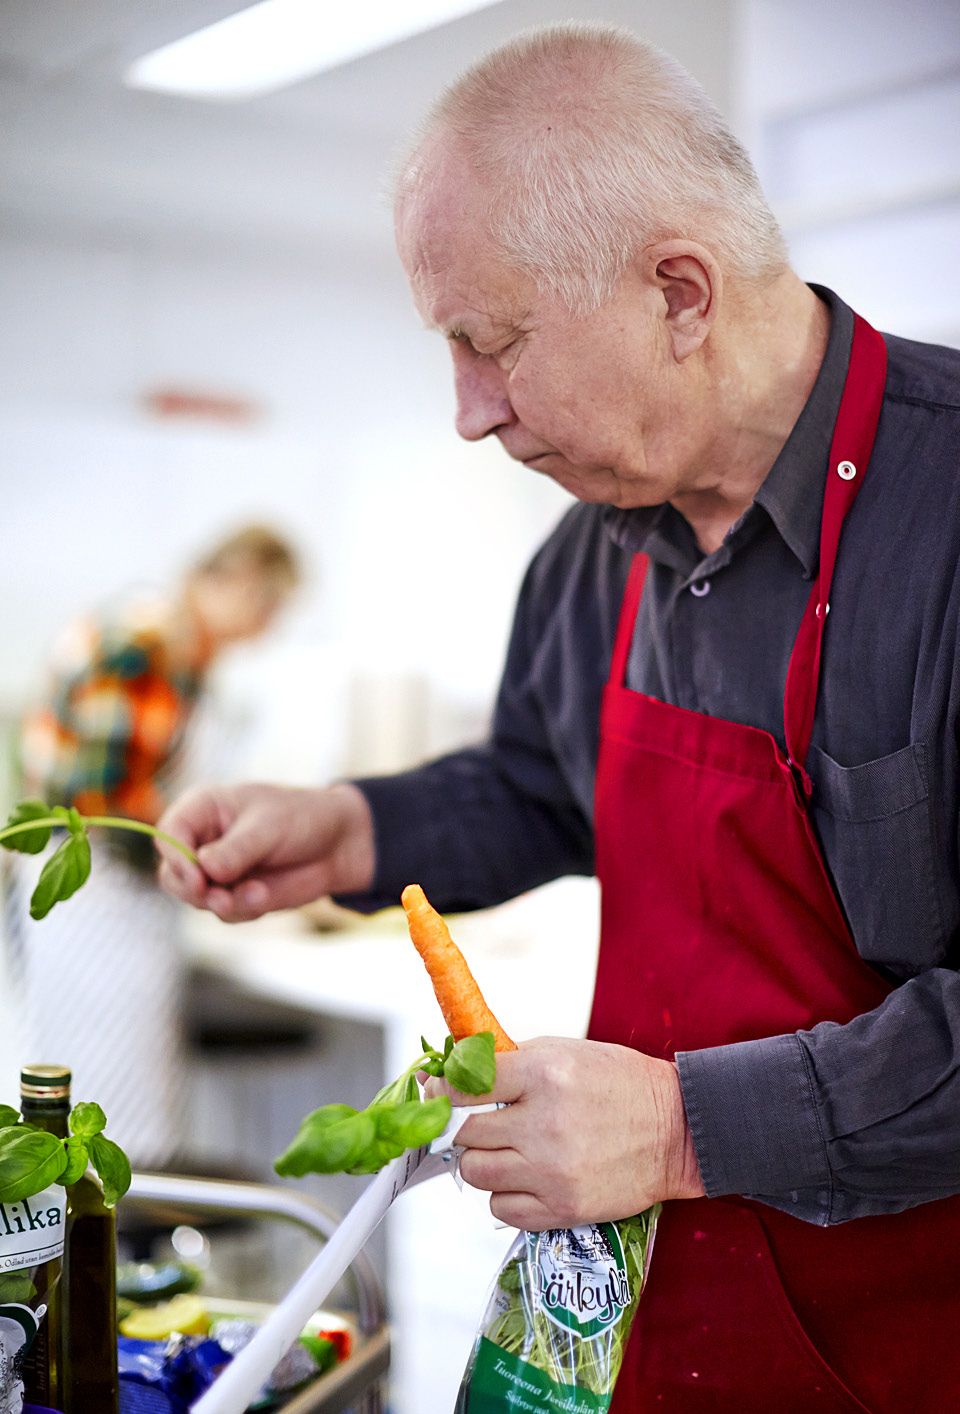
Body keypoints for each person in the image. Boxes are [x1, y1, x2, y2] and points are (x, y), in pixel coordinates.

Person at [157, 24, 960, 1412]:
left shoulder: (943, 513)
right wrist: (353, 824)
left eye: (492, 341)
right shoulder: (600, 543)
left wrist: (685, 1125)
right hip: (647, 1302)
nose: (468, 412)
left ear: (682, 295)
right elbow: (540, 782)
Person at [6, 524, 300, 1166]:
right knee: (107, 1110)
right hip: (94, 891)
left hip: (116, 895)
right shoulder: (146, 643)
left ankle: (117, 1245)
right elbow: (103, 795)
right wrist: (204, 864)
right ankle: (109, 1256)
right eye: (266, 608)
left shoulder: (182, 653)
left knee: (117, 1102)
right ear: (238, 583)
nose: (263, 629)